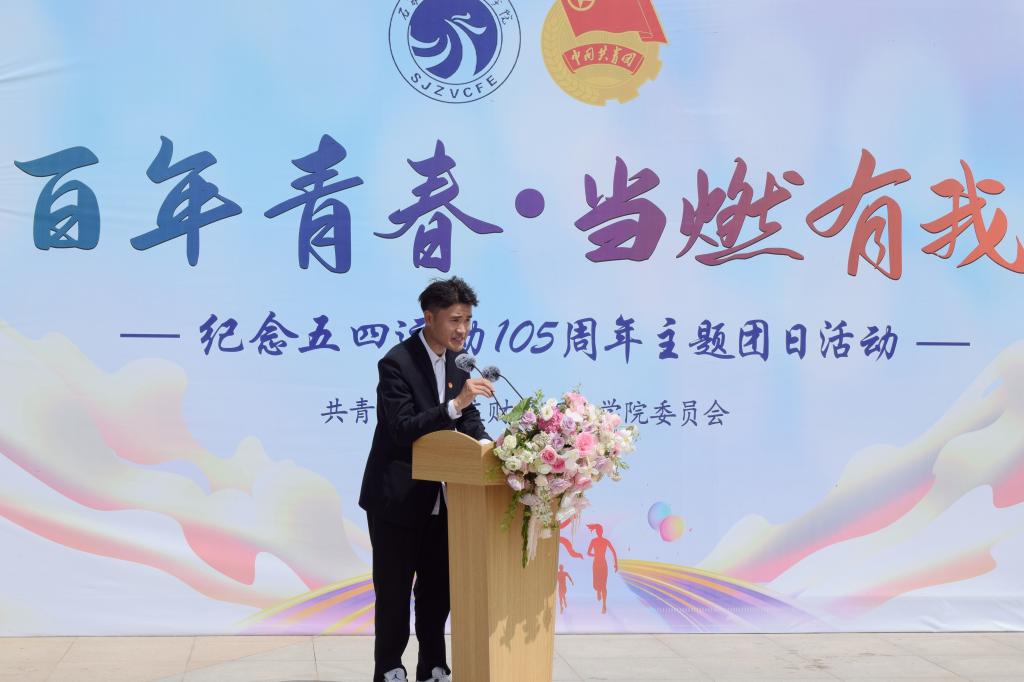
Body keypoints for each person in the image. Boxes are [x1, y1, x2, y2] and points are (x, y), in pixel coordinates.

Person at [358, 277, 493, 682]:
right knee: (395, 594)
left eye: (467, 320)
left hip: (444, 501)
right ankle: (390, 668)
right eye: (454, 320)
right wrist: (454, 405)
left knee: (437, 593)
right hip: (397, 500)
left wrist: (490, 446)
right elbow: (402, 429)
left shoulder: (459, 362)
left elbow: (469, 420)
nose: (462, 330)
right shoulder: (396, 363)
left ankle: (433, 667)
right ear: (429, 317)